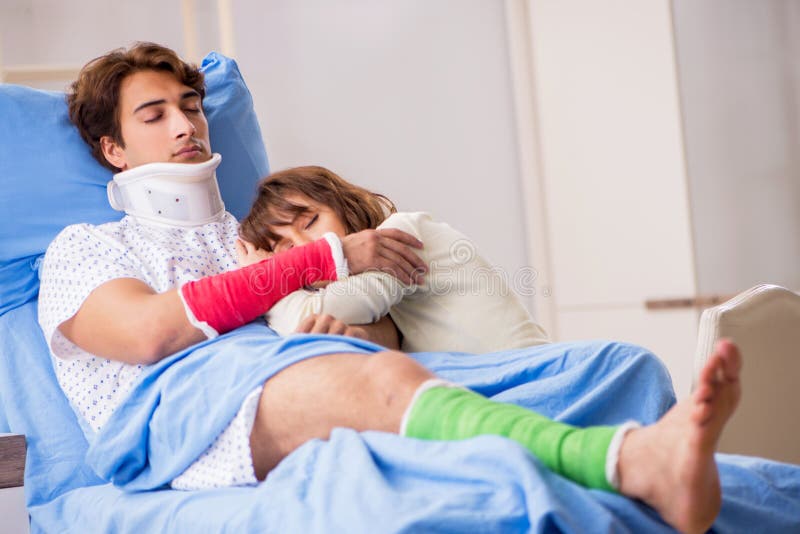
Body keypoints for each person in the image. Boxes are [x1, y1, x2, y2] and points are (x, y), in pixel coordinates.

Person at [38, 41, 742, 533]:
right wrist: (324, 262)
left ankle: (663, 476)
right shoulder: (86, 250)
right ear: (115, 151)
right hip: (179, 413)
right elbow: (146, 334)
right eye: (154, 114)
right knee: (386, 389)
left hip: (307, 369)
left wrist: (342, 330)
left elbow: (381, 327)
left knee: (613, 367)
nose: (185, 123)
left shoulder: (247, 230)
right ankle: (624, 462)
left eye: (190, 104)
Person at [236, 165, 550, 353]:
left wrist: (262, 281)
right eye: (288, 249)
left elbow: (309, 316)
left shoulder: (398, 235)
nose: (307, 246)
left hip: (530, 370)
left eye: (310, 222)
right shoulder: (359, 288)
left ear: (343, 205)